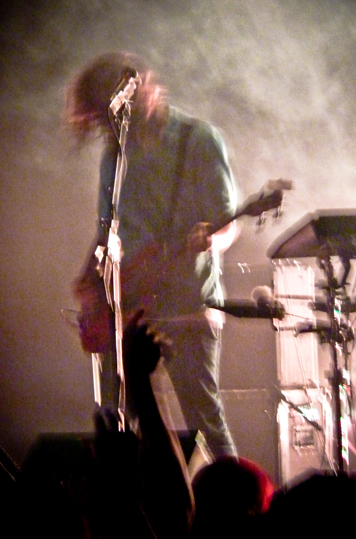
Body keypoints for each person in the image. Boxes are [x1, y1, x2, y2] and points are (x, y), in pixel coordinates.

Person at [65, 51, 238, 458]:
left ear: (137, 92)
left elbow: (228, 222)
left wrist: (209, 238)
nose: (104, 129)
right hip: (132, 313)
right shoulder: (114, 156)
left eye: (106, 116)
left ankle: (239, 495)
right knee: (125, 430)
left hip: (187, 308)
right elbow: (107, 231)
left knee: (205, 424)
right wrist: (89, 281)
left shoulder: (198, 139)